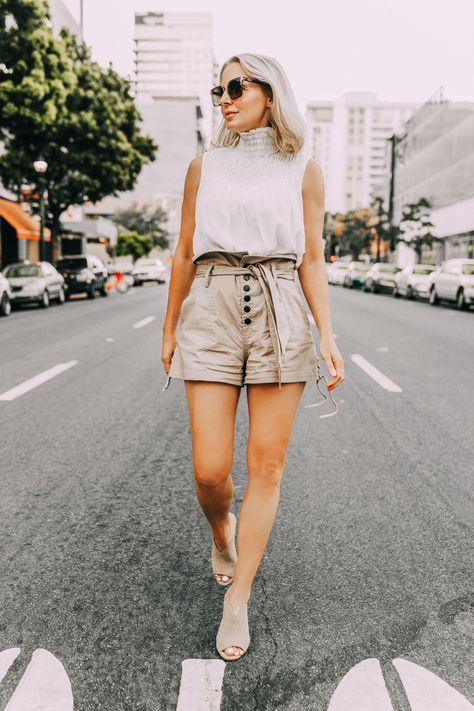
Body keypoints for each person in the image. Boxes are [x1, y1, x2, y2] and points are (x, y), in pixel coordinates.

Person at [161, 53, 344, 661]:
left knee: (267, 465)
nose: (225, 98)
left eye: (236, 87)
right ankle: (222, 531)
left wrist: (328, 336)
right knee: (210, 469)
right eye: (219, 90)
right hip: (211, 305)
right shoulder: (203, 165)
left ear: (270, 90)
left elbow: (312, 258)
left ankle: (238, 596)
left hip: (281, 303)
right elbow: (185, 252)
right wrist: (169, 329)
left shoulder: (304, 170)